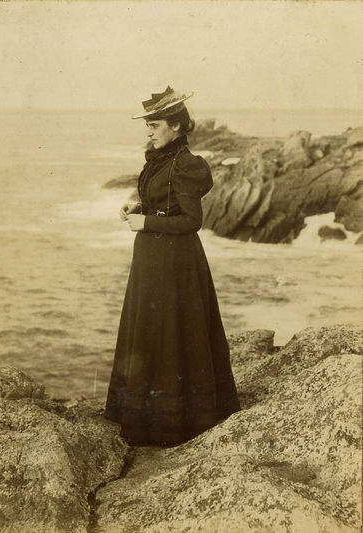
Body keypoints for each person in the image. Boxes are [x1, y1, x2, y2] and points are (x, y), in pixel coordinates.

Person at [104, 86, 241, 447]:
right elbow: (162, 202)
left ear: (177, 127)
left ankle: (173, 422)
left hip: (175, 261)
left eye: (156, 124)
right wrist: (138, 209)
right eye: (148, 125)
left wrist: (148, 224)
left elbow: (192, 221)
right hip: (151, 257)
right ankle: (144, 416)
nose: (149, 131)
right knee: (150, 331)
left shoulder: (186, 166)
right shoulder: (159, 160)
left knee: (171, 333)